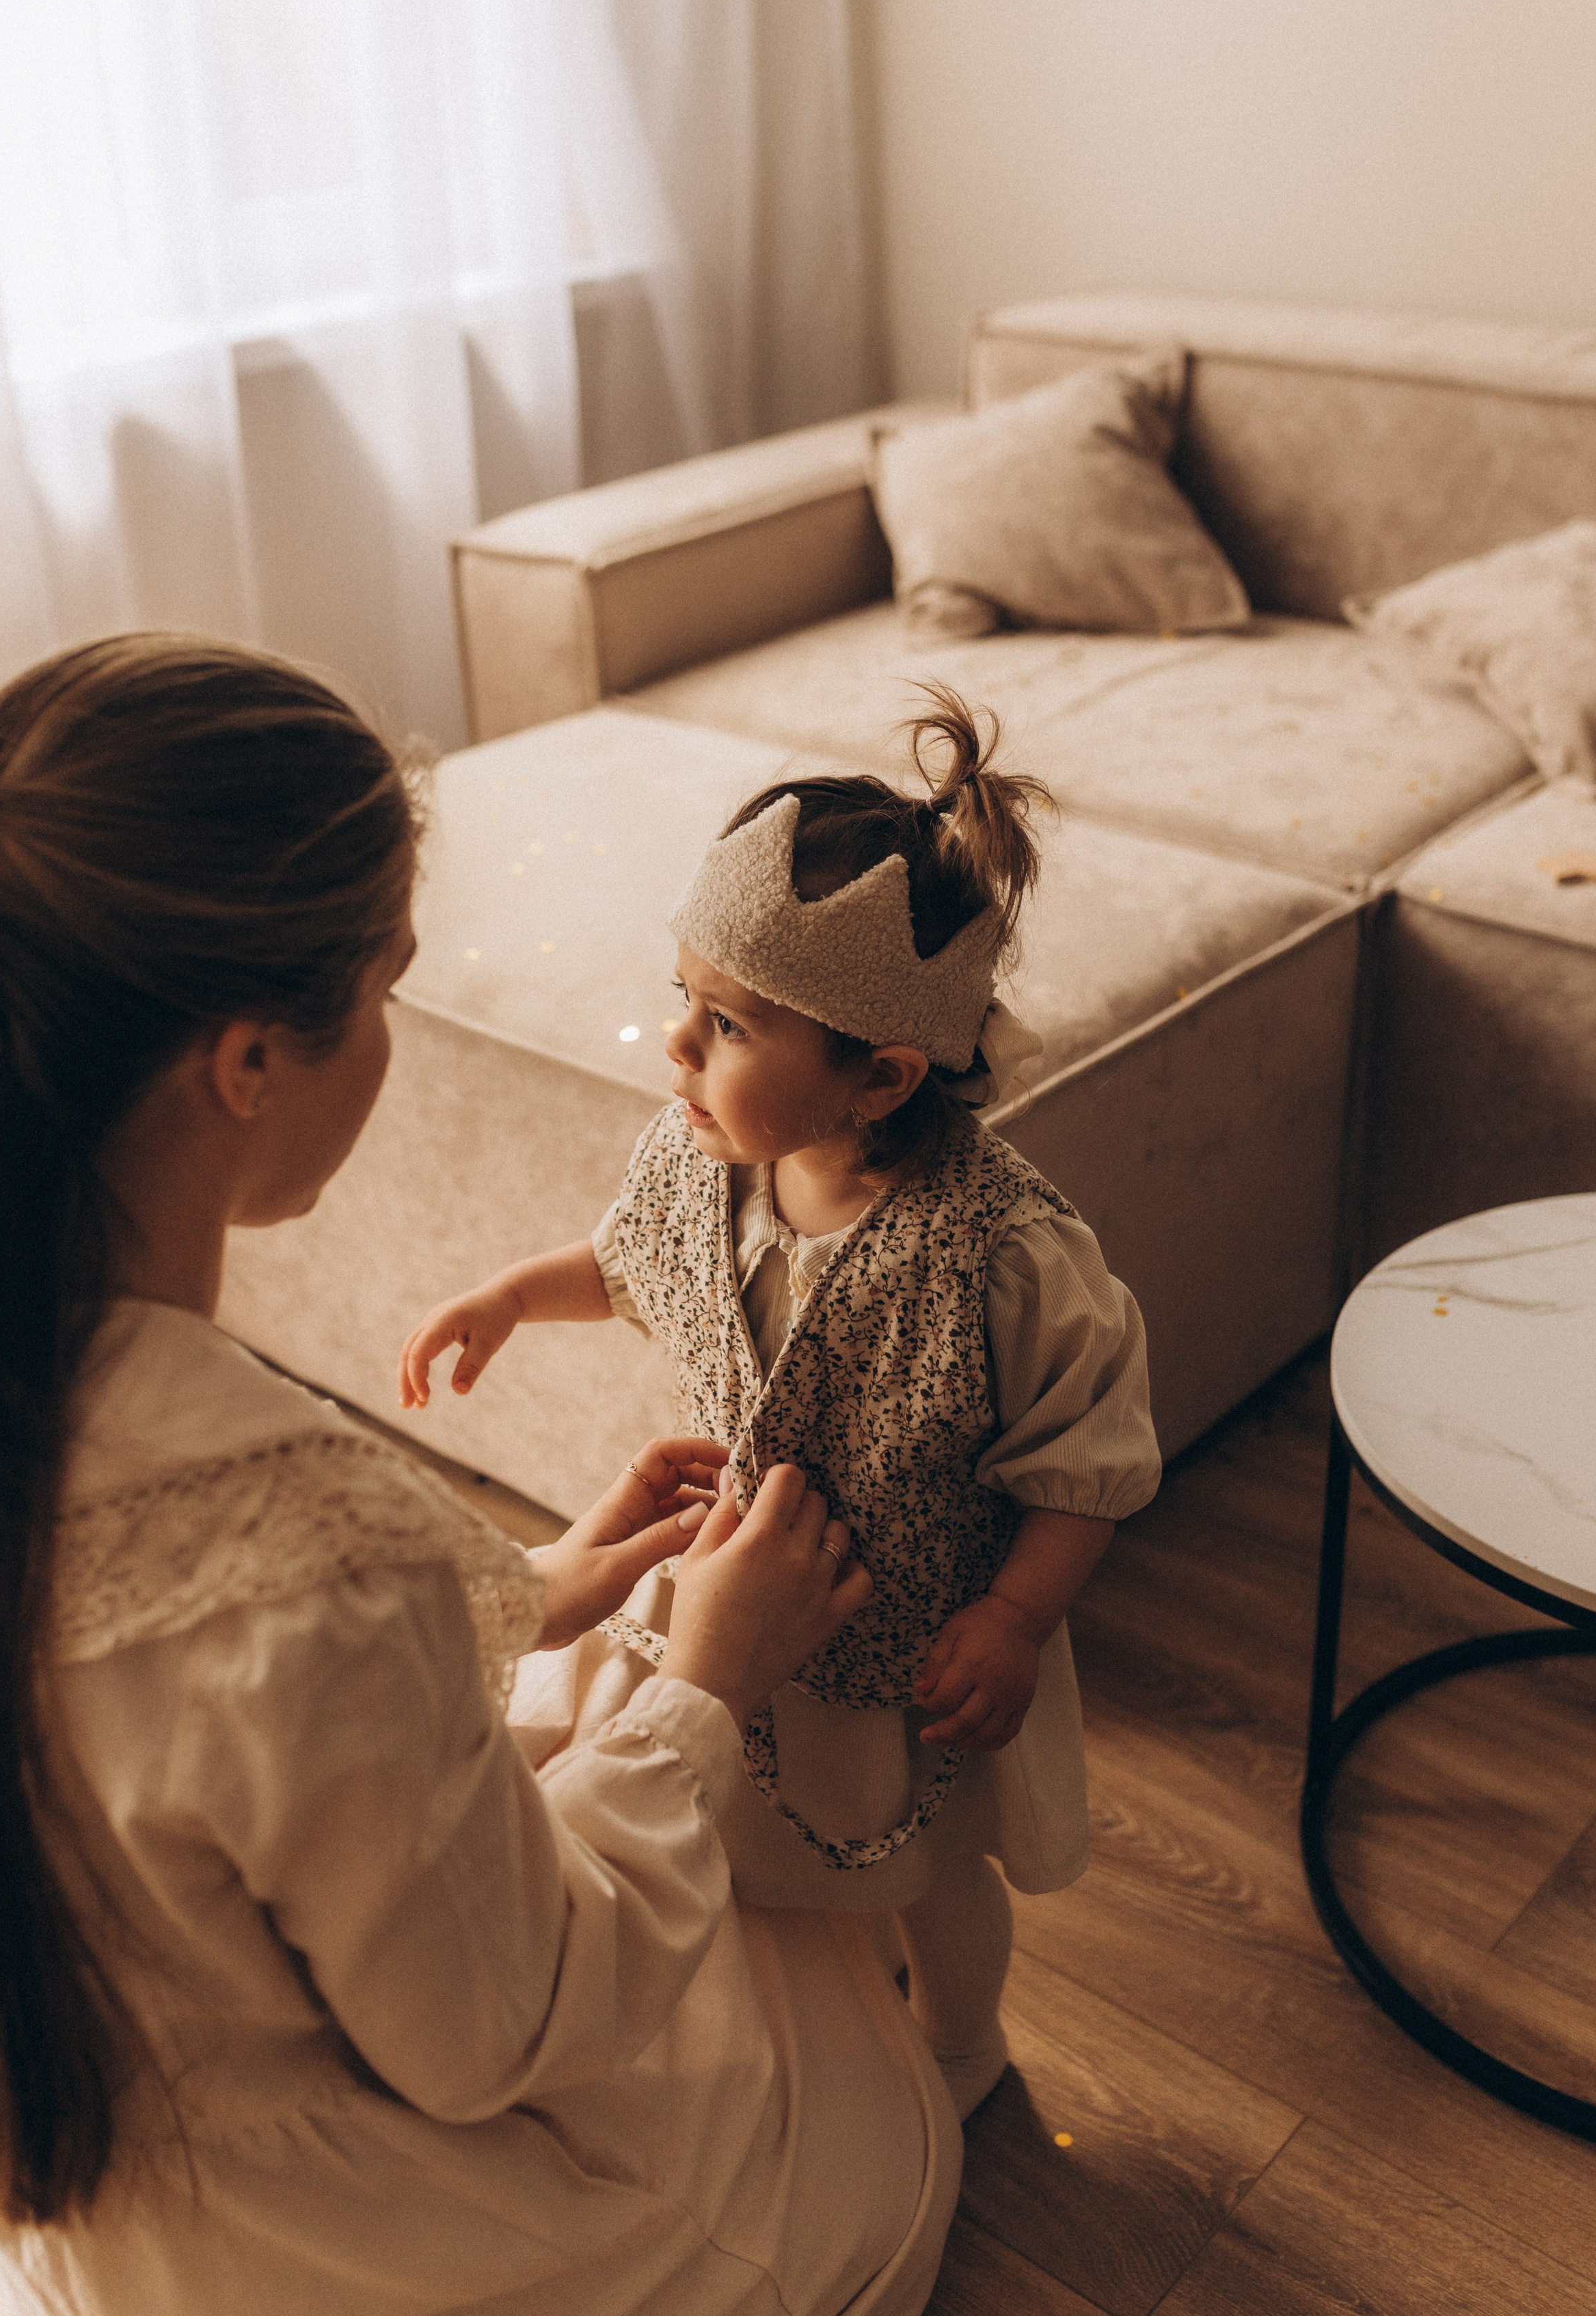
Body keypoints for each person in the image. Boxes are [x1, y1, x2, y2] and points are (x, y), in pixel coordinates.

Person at [0, 635, 962, 2316]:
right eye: (384, 985)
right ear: (249, 1060)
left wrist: (528, 1585)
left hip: (85, 2221)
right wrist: (708, 1683)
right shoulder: (315, 1555)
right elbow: (509, 2027)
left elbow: (185, 1689)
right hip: (333, 2276)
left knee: (566, 1691)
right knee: (869, 2118)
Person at [401, 691, 1163, 2119]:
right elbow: (626, 1264)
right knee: (783, 1841)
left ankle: (961, 2040)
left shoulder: (1003, 1254)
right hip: (749, 1597)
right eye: (683, 997)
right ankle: (829, 1993)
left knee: (930, 1873)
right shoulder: (701, 1158)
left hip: (917, 1639)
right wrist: (510, 1294)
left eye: (726, 1024)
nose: (675, 1046)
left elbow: (1088, 1464)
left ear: (879, 1077)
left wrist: (1011, 1620)